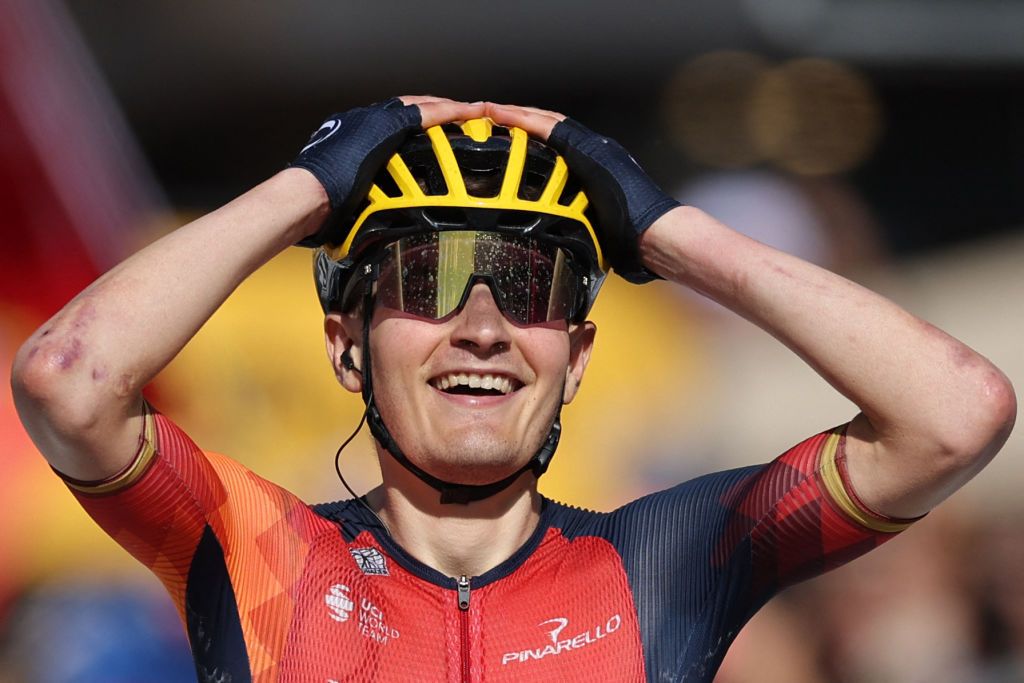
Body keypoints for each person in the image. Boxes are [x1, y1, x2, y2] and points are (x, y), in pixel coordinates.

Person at [11, 95, 1016, 682]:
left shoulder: (661, 564)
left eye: (530, 288)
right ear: (344, 346)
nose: (482, 324)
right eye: (424, 283)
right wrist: (307, 190)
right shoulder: (258, 548)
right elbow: (67, 379)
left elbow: (954, 411)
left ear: (576, 355)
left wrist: (664, 231)